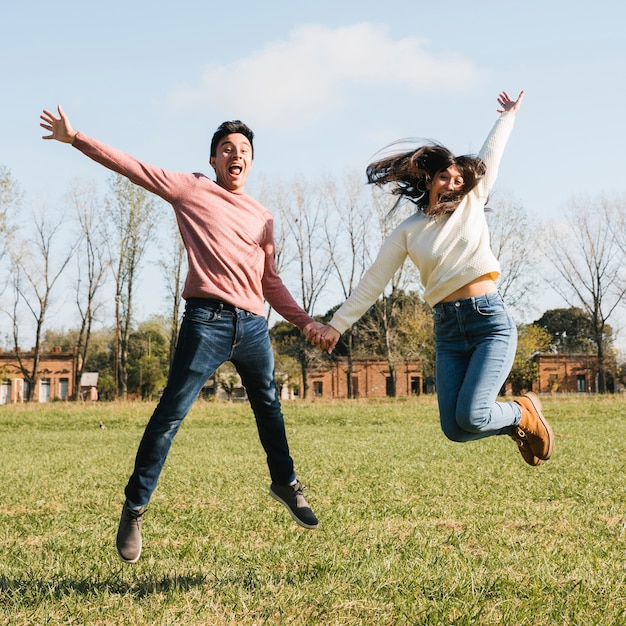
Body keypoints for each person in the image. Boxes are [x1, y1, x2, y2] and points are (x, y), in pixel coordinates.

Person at [40, 106, 322, 564]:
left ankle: (284, 482)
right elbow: (133, 168)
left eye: (244, 150)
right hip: (205, 322)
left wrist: (307, 322)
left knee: (269, 406)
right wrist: (77, 138)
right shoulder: (192, 189)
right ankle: (134, 508)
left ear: (251, 162)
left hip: (252, 327)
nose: (236, 155)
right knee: (170, 415)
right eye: (227, 149)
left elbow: (270, 281)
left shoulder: (262, 216)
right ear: (213, 160)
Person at [311, 90, 554, 467]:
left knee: (472, 415)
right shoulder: (408, 231)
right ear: (429, 181)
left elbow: (491, 154)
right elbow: (373, 281)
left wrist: (507, 117)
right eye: (445, 177)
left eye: (459, 179)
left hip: (489, 321)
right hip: (448, 331)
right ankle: (516, 422)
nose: (454, 183)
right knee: (455, 428)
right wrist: (337, 326)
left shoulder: (472, 204)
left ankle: (523, 413)